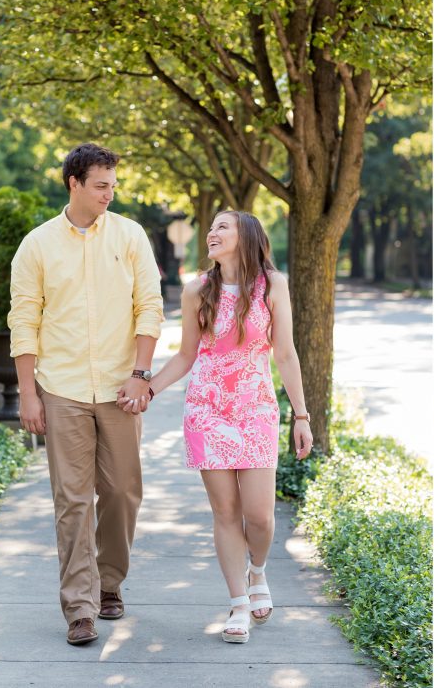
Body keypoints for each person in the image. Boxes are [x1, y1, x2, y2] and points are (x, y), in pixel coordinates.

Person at [9, 143, 163, 646]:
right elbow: (24, 322)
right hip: (62, 387)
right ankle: (80, 607)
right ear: (73, 182)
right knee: (72, 500)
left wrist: (141, 374)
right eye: (101, 185)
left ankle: (110, 583)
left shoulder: (130, 235)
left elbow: (150, 307)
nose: (109, 194)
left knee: (121, 492)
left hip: (121, 387)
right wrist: (28, 394)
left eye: (113, 185)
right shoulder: (37, 245)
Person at [142, 210, 312, 643]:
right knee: (225, 512)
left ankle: (257, 570)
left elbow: (286, 353)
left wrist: (302, 414)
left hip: (255, 409)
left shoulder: (272, 285)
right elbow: (184, 355)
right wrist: (149, 390)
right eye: (211, 228)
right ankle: (237, 602)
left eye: (223, 227)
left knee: (259, 516)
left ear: (246, 236)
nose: (212, 233)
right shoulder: (197, 289)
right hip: (207, 409)